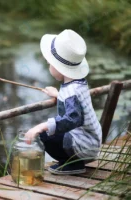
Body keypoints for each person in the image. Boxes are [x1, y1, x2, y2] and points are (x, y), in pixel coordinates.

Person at [24, 29, 102, 175]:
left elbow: (72, 118)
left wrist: (41, 126)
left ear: (59, 68)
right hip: (91, 142)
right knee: (52, 130)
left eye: (49, 64)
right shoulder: (78, 84)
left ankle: (72, 164)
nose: (48, 66)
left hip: (84, 147)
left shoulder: (72, 92)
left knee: (46, 134)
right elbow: (73, 101)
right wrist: (58, 95)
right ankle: (73, 161)